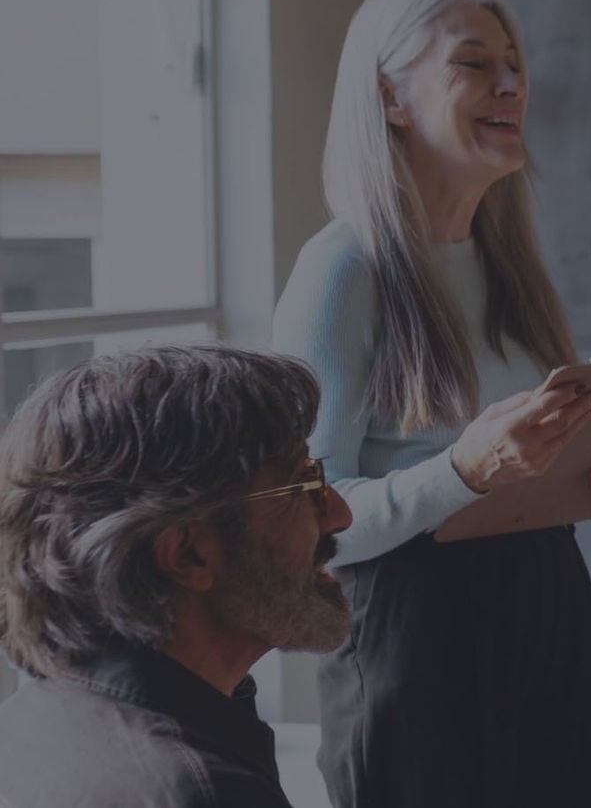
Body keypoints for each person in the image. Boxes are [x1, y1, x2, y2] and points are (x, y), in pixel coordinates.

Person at [272, 0, 591, 805]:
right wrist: (467, 471)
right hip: (414, 634)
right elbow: (306, 522)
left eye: (515, 65)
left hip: (547, 604)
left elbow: (521, 475)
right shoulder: (342, 270)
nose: (512, 85)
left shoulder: (508, 263)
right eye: (475, 64)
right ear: (391, 98)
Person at [0, 345, 352, 807]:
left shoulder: (23, 726)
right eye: (302, 484)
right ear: (189, 555)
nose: (341, 514)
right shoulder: (203, 791)